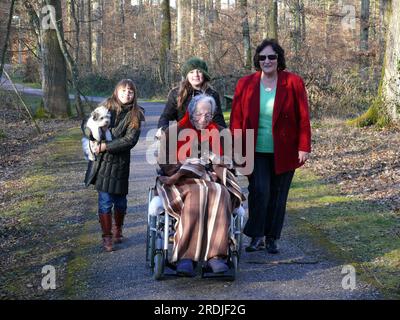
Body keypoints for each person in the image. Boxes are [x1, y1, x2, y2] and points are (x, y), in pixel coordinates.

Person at [229, 39, 311, 254]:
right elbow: (236, 118)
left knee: (278, 194)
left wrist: (304, 146)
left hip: (285, 149)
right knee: (259, 191)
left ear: (278, 59)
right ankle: (256, 235)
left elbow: (303, 117)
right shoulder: (245, 84)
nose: (267, 61)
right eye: (263, 57)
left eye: (272, 57)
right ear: (258, 60)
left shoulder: (293, 82)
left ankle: (272, 237)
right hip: (254, 149)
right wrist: (236, 147)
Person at [156, 94, 244, 276]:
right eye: (198, 114)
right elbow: (165, 163)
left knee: (220, 194)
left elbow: (231, 161)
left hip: (213, 180)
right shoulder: (174, 132)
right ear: (190, 112)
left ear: (213, 115)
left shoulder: (221, 133)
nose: (203, 119)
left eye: (208, 115)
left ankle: (216, 256)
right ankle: (186, 256)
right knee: (197, 196)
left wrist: (216, 165)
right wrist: (190, 165)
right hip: (182, 181)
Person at [84, 79, 145, 252]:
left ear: (134, 94)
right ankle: (107, 237)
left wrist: (105, 146)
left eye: (130, 91)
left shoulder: (136, 114)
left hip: (120, 164)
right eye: (123, 90)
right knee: (104, 202)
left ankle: (118, 230)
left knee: (120, 203)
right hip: (102, 164)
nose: (127, 93)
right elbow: (87, 125)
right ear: (116, 92)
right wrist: (92, 139)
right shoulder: (105, 108)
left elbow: (130, 140)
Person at [157, 57, 226, 130]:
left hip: (206, 135)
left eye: (199, 71)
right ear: (187, 76)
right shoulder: (176, 94)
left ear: (204, 74)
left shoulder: (212, 94)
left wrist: (225, 135)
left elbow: (218, 119)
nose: (196, 75)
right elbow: (165, 116)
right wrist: (163, 130)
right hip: (183, 135)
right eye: (191, 72)